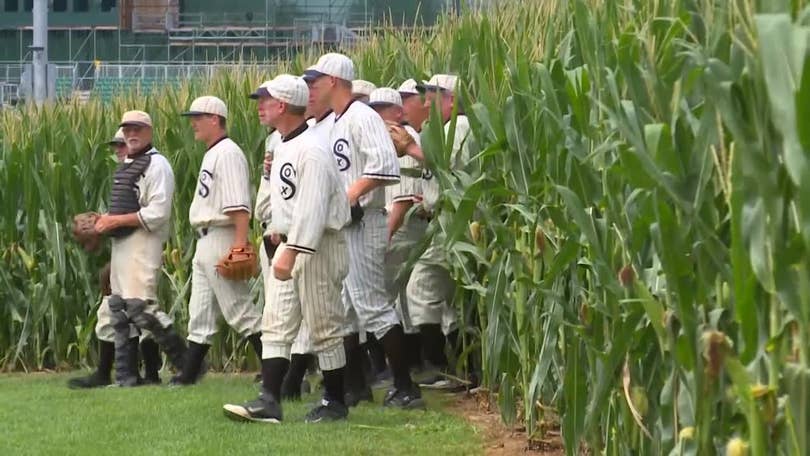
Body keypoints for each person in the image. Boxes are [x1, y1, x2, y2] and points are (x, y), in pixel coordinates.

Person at [223, 74, 351, 423]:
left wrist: (293, 249)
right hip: (290, 244)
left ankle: (335, 401)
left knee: (323, 323)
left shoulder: (313, 149)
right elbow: (287, 202)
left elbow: (312, 209)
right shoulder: (282, 144)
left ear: (282, 105)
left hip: (317, 246)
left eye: (265, 101)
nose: (260, 107)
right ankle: (269, 400)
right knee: (276, 322)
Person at [304, 52, 423, 409]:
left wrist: (350, 195)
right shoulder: (337, 121)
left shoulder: (362, 116)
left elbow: (386, 166)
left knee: (372, 306)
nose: (312, 87)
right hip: (345, 225)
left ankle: (406, 387)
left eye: (317, 80)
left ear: (335, 82)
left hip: (365, 221)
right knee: (346, 310)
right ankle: (354, 387)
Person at [170, 96, 263, 385]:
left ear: (215, 119)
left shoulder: (228, 153)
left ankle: (281, 370)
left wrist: (239, 243)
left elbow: (239, 204)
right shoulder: (214, 152)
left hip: (222, 236)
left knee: (239, 311)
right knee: (200, 312)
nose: (193, 123)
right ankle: (188, 374)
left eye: (198, 117)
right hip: (205, 240)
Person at [93, 111, 187, 387]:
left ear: (149, 131)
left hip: (144, 240)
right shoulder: (130, 163)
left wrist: (114, 220)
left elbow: (158, 213)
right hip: (123, 242)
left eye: (137, 129)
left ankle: (188, 365)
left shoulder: (157, 165)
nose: (131, 134)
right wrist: (103, 222)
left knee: (140, 307)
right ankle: (126, 377)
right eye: (127, 129)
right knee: (119, 308)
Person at [392, 74, 474, 389]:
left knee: (420, 289)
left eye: (432, 96)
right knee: (452, 301)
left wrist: (411, 148)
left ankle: (441, 367)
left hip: (457, 222)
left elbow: (447, 166)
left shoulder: (461, 127)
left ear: (451, 99)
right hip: (442, 221)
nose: (425, 101)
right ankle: (460, 371)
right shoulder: (436, 131)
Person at [68, 129, 165, 388]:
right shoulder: (124, 175)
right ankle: (124, 374)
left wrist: (108, 224)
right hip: (126, 254)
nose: (118, 150)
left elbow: (149, 216)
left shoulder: (149, 170)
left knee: (140, 313)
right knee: (115, 314)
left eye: (122, 145)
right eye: (116, 146)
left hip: (141, 253)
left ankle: (146, 375)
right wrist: (101, 225)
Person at [368, 87, 426, 373]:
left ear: (398, 112)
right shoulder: (381, 138)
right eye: (374, 109)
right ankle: (398, 367)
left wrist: (384, 239)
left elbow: (401, 202)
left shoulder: (402, 138)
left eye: (383, 109)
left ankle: (396, 369)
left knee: (383, 298)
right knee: (394, 299)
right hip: (391, 225)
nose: (377, 114)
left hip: (399, 227)